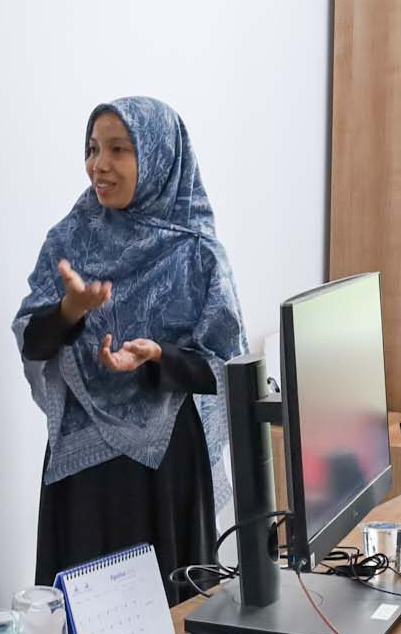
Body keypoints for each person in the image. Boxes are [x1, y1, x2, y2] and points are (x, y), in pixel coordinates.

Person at [14, 98, 247, 600]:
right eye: (93, 149)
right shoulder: (68, 239)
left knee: (170, 616)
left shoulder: (196, 251)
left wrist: (158, 356)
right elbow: (34, 340)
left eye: (118, 149)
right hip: (81, 472)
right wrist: (70, 310)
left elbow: (224, 368)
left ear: (159, 157)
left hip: (163, 467)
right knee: (82, 618)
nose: (99, 165)